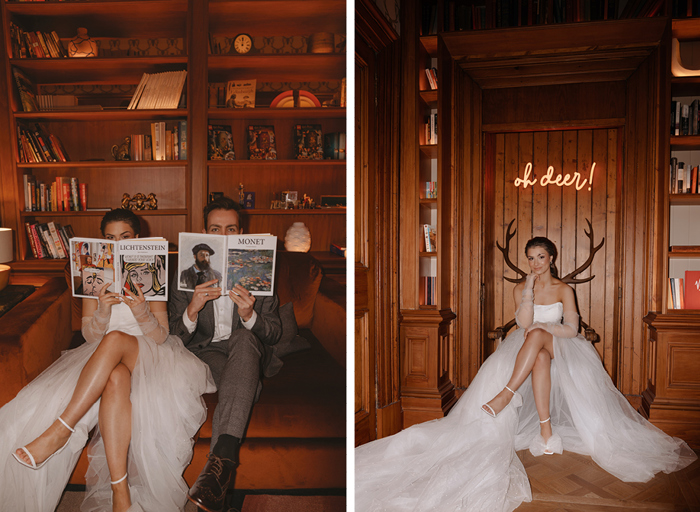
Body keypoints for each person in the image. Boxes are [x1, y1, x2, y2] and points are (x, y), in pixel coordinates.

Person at [355, 236, 697, 512]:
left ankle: (507, 393)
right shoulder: (522, 288)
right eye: (530, 258)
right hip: (533, 347)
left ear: (552, 259)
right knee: (538, 354)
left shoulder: (565, 289)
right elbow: (519, 324)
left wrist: (546, 326)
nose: (535, 263)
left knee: (537, 337)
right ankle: (547, 433)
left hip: (562, 342)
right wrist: (530, 290)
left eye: (541, 258)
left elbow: (574, 328)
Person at [0, 208, 216, 512]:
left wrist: (141, 312)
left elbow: (161, 336)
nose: (117, 243)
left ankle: (61, 429)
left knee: (115, 339)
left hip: (148, 353)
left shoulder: (151, 269)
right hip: (104, 356)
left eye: (125, 237)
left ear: (137, 239)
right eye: (110, 238)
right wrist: (102, 310)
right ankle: (120, 493)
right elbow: (90, 335)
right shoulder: (93, 272)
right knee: (115, 378)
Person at [169, 196, 282, 512]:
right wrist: (192, 309)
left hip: (244, 348)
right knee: (245, 382)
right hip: (206, 354)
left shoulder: (258, 268)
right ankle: (220, 471)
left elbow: (275, 332)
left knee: (246, 339)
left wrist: (250, 315)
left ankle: (217, 473)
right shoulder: (186, 274)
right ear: (204, 233)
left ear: (241, 232)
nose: (224, 234)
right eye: (215, 229)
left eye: (230, 229)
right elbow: (172, 335)